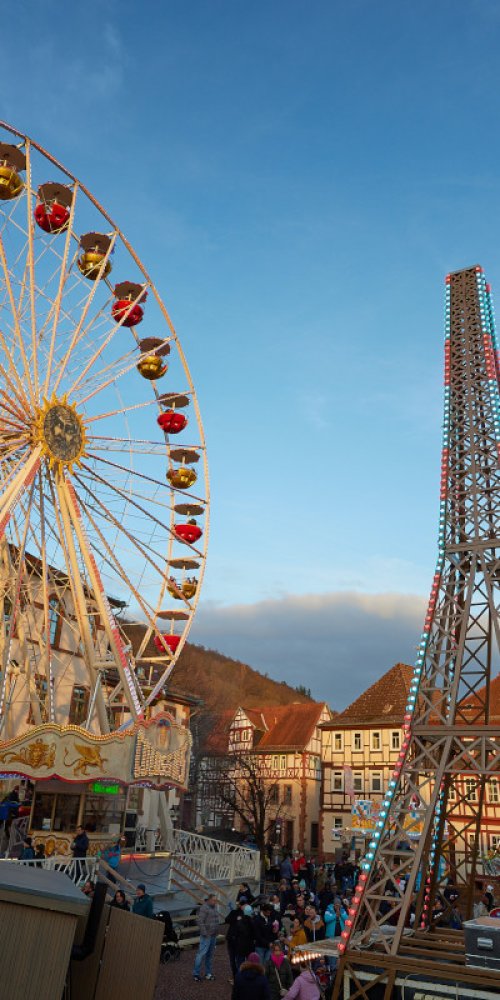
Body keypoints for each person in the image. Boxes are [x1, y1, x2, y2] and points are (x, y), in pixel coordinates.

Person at [193, 893, 219, 982]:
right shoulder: (204, 908)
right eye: (214, 900)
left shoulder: (214, 907)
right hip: (206, 936)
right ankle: (196, 974)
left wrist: (215, 933)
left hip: (213, 935)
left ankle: (208, 973)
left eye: (216, 901)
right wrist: (205, 933)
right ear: (209, 900)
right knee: (201, 954)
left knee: (210, 955)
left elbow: (216, 920)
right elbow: (199, 921)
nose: (215, 902)